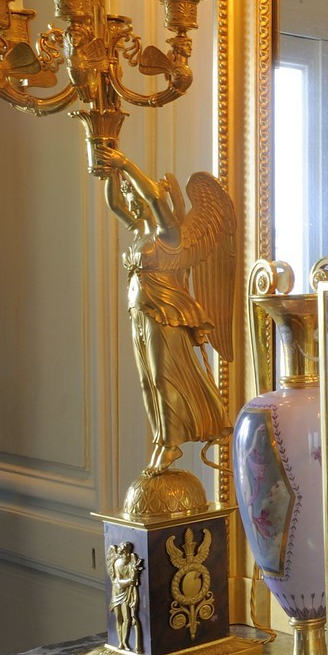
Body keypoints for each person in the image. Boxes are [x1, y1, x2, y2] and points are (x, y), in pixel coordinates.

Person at [96, 144, 232, 476]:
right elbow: (113, 203)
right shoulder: (138, 231)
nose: (129, 199)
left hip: (165, 312)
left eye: (134, 194)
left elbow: (156, 198)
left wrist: (125, 163)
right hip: (139, 311)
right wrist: (107, 165)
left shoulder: (169, 235)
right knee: (147, 380)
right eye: (129, 194)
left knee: (162, 375)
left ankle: (171, 445)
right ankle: (160, 440)